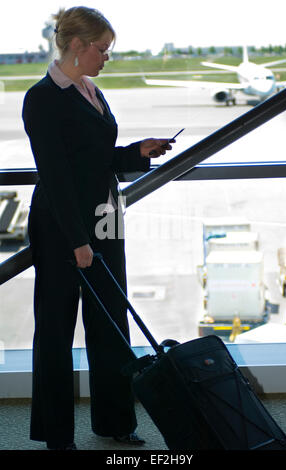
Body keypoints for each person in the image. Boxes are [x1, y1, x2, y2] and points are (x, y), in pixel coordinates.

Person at [22, 6, 174, 450]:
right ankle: (56, 436)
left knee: (110, 328)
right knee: (55, 330)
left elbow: (95, 158)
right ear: (77, 45)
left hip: (105, 219)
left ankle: (115, 423)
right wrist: (77, 241)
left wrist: (136, 152)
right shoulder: (42, 97)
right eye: (103, 49)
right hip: (62, 228)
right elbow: (55, 175)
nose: (107, 57)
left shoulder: (91, 90)